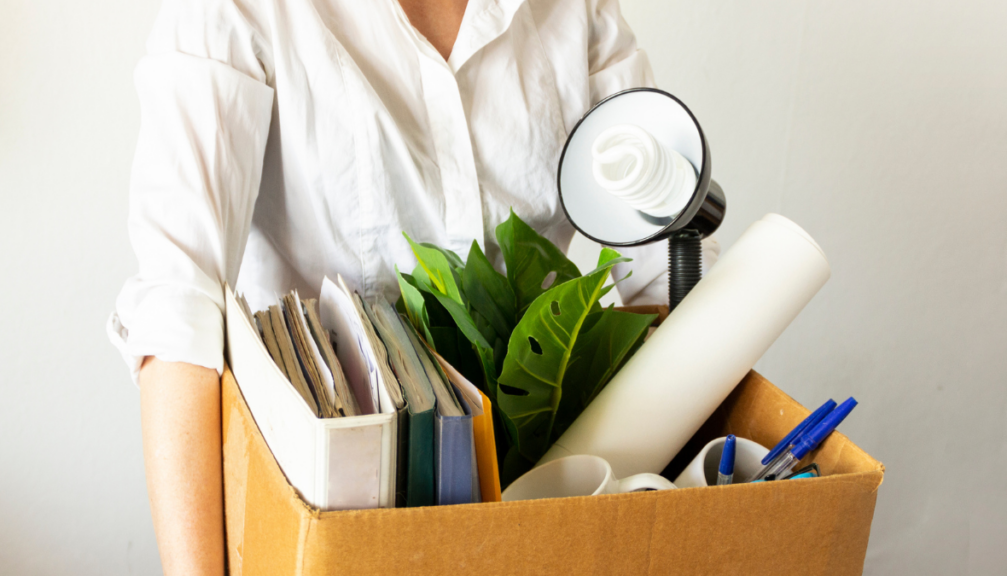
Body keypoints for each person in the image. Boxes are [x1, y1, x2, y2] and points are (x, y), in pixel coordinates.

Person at [108, 0, 718, 573]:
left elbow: (660, 253)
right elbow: (179, 307)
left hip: (544, 489)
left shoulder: (571, 11)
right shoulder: (240, 13)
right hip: (329, 505)